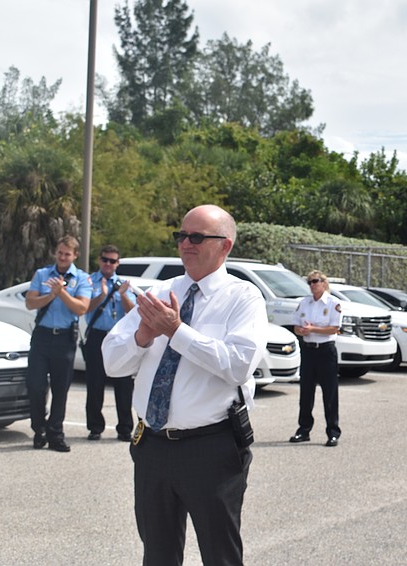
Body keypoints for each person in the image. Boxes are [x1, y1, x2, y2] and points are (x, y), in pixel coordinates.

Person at [102, 205, 268, 566]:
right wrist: (144, 335)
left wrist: (176, 331)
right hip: (153, 446)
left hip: (211, 447)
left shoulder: (243, 298)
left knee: (219, 554)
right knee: (158, 555)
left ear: (224, 246)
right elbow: (112, 361)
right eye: (182, 236)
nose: (185, 244)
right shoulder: (160, 293)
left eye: (196, 237)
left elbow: (238, 366)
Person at [24, 235, 92, 452]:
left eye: (67, 254)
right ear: (56, 252)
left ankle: (55, 434)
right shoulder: (42, 274)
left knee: (60, 389)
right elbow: (30, 302)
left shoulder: (81, 279)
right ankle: (39, 430)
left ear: (75, 256)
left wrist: (61, 292)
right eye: (60, 253)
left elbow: (81, 308)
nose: (63, 257)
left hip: (64, 338)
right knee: (35, 386)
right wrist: (51, 295)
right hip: (42, 336)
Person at [83, 244, 136, 441]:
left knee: (123, 384)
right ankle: (95, 427)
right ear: (99, 260)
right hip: (97, 336)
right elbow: (84, 308)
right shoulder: (89, 282)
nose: (108, 264)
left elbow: (132, 312)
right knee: (94, 384)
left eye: (112, 261)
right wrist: (102, 296)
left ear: (117, 263)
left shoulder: (123, 284)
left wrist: (122, 294)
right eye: (105, 259)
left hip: (118, 337)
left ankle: (124, 428)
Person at [289, 270, 342, 447]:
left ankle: (333, 432)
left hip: (326, 351)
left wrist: (313, 330)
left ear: (324, 283)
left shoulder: (333, 303)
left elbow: (334, 328)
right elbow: (296, 326)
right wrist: (302, 331)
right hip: (309, 350)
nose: (312, 285)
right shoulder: (304, 303)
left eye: (315, 281)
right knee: (306, 393)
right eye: (309, 282)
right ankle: (303, 430)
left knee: (330, 393)